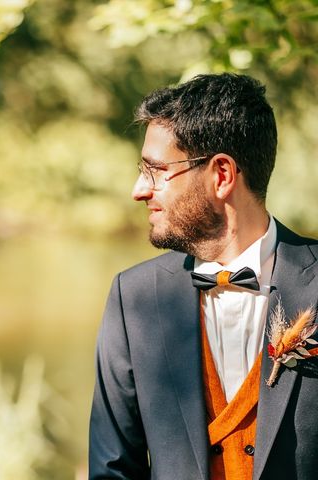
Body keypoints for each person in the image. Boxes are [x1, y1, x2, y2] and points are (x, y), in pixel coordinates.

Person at [89, 73, 318, 479]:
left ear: (222, 175)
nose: (139, 190)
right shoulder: (134, 299)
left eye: (156, 170)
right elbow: (112, 469)